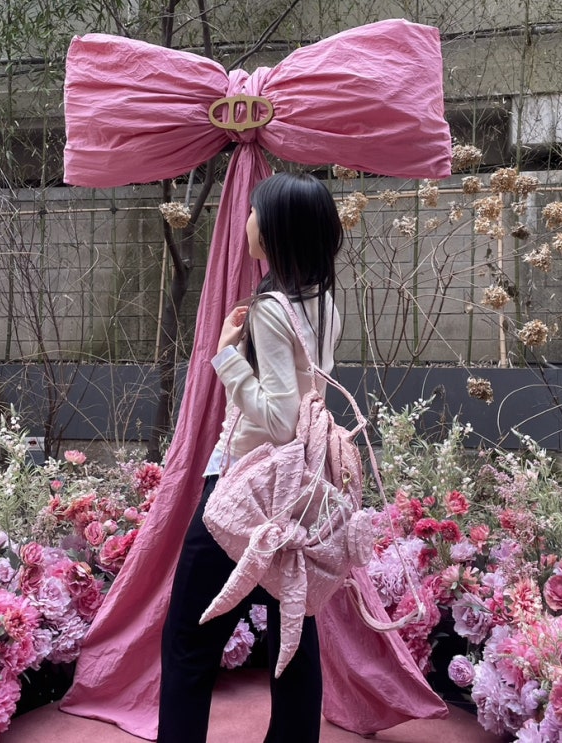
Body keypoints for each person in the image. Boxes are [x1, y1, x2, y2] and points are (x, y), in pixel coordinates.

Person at [157, 171, 343, 743]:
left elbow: (280, 419)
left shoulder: (270, 308)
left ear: (279, 229)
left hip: (246, 486)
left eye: (256, 212)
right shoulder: (323, 302)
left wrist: (225, 358)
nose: (248, 221)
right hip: (298, 489)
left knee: (189, 638)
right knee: (293, 627)